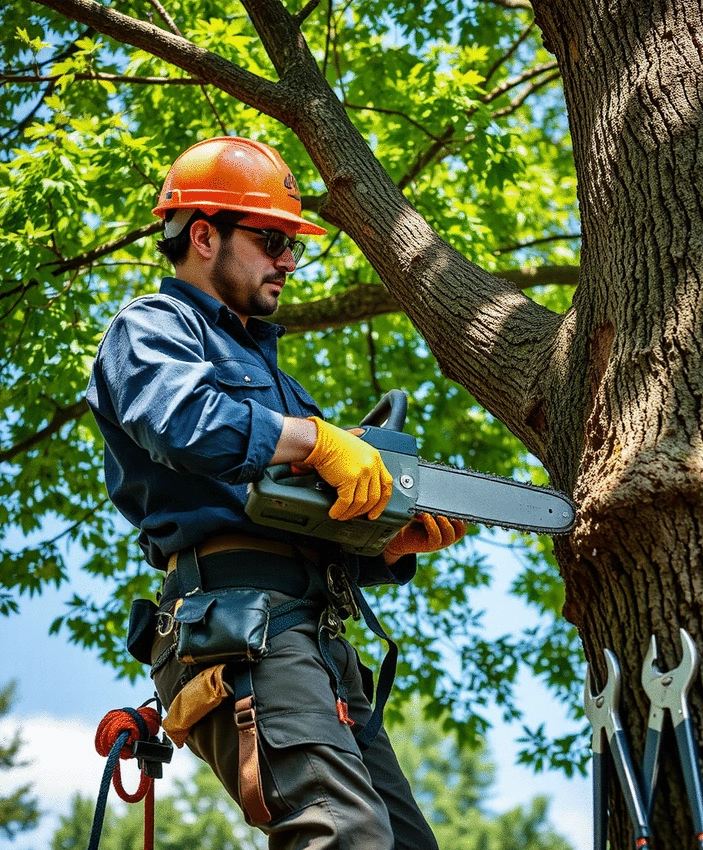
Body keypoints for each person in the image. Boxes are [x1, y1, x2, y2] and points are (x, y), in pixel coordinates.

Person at [86, 136, 465, 850]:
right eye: (271, 240)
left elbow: (297, 523)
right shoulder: (150, 330)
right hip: (241, 628)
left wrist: (385, 545)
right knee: (343, 836)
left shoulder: (278, 381)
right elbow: (185, 424)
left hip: (311, 632)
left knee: (405, 844)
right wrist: (318, 439)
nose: (289, 260)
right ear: (203, 235)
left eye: (292, 244)